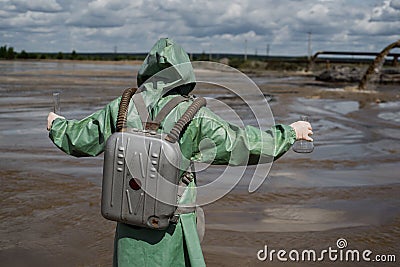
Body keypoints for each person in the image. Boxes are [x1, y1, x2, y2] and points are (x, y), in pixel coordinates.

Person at [47, 38, 313, 267]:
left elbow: (80, 139)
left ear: (147, 71)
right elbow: (243, 145)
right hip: (172, 225)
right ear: (185, 73)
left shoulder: (121, 107)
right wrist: (290, 132)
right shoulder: (194, 115)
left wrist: (56, 125)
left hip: (130, 223)